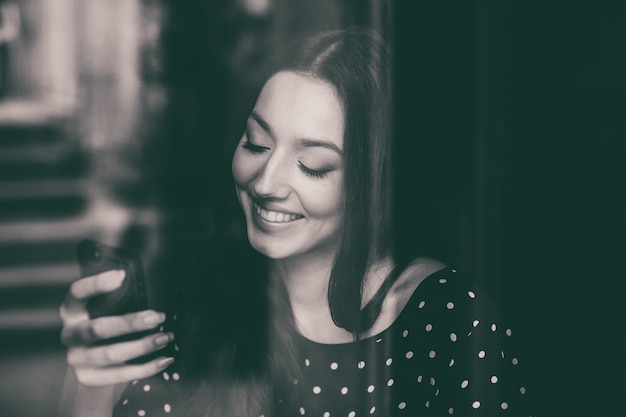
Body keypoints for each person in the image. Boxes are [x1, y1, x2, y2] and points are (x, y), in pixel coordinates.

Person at [58, 28, 532, 417]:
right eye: (257, 144)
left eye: (313, 165)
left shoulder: (449, 323)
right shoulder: (197, 292)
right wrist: (89, 385)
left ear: (374, 185)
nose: (266, 182)